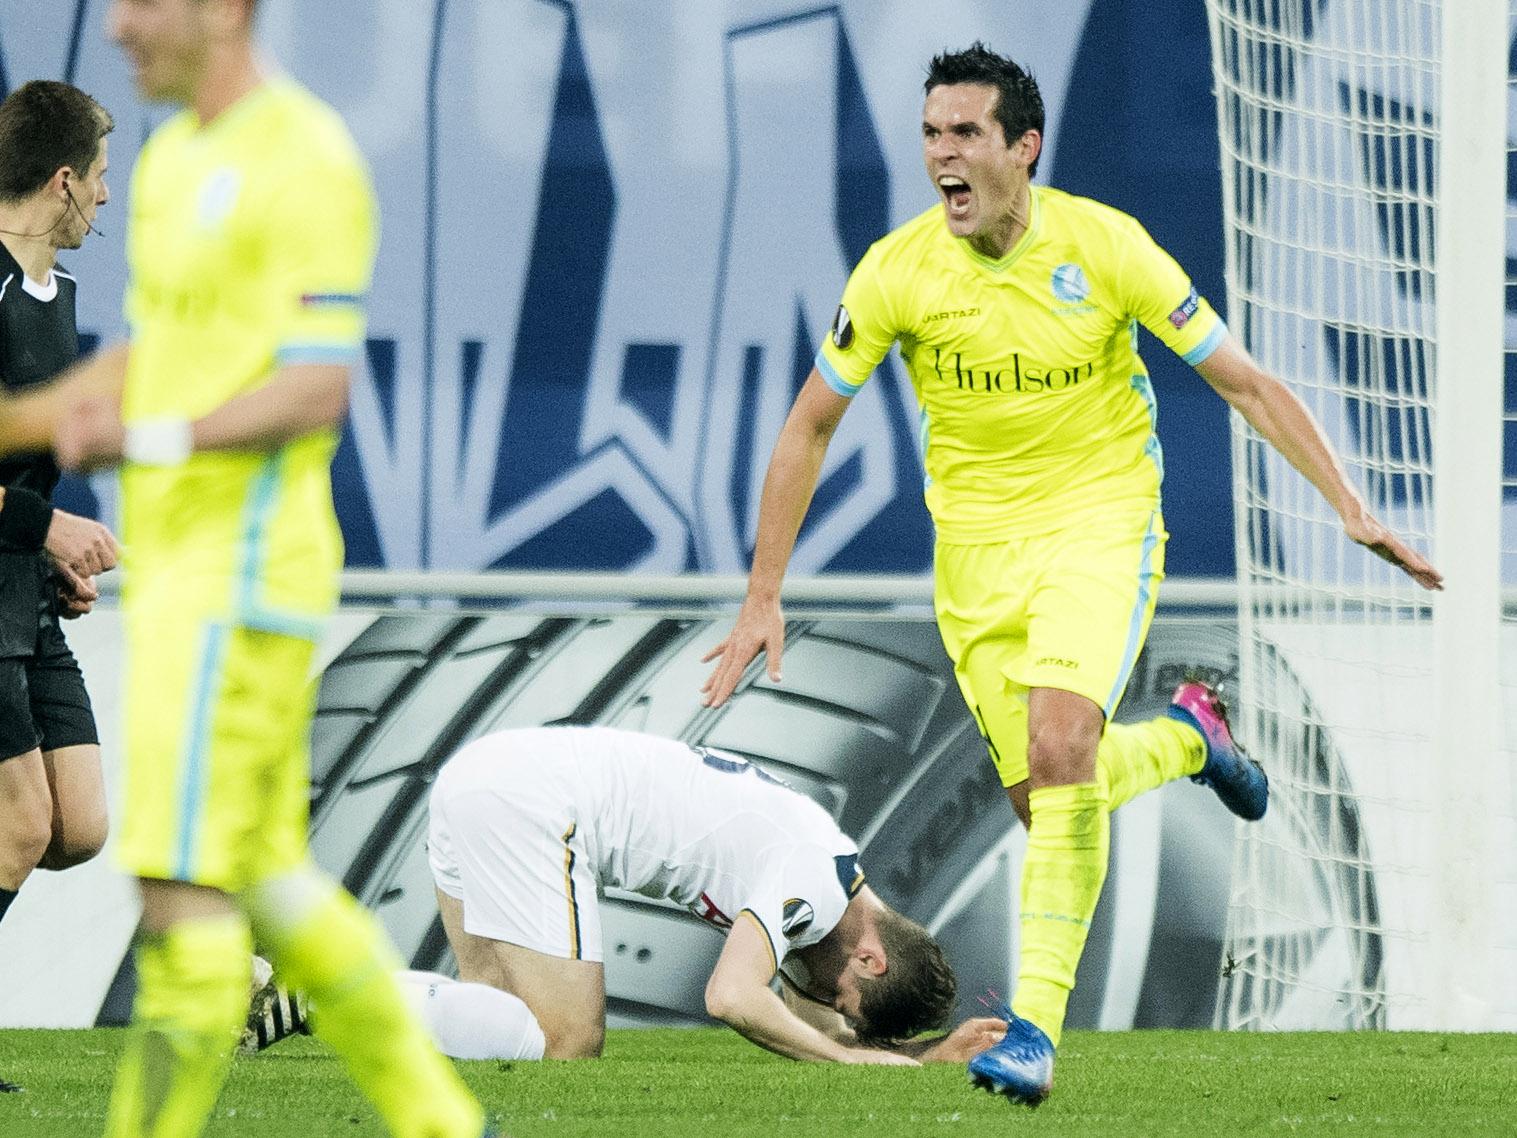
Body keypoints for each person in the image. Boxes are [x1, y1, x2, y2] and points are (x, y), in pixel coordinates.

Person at [701, 42, 1443, 1106]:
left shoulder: (1105, 248)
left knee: (1059, 749)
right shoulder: (896, 271)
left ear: (1023, 146)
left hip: (1099, 527)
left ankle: (1036, 1033)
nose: (940, 157)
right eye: (929, 135)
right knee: (1053, 802)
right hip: (975, 567)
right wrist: (761, 591)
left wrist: (1349, 505)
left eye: (963, 134)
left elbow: (1241, 380)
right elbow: (810, 423)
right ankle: (1193, 736)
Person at [0, 2, 487, 1135]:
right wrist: (35, 415)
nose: (116, 25)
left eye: (144, 3)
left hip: (240, 579)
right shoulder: (175, 161)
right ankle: (445, 1122)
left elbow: (316, 388)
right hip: (179, 576)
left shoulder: (305, 160)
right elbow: (155, 350)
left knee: (182, 906)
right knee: (266, 880)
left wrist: (145, 438)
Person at [415, 725, 1004, 1064]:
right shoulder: (814, 883)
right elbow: (730, 996)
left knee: (493, 1012)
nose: (829, 1000)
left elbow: (812, 1029)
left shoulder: (828, 879)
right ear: (870, 959)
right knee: (571, 1042)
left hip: (487, 772)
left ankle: (332, 994)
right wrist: (852, 1058)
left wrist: (922, 1055)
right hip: (537, 804)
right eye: (845, 997)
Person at [0, 78, 119, 1096]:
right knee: (19, 825)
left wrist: (45, 558)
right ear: (65, 177)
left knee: (77, 825)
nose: (109, 204)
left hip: (22, 596)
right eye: (105, 178)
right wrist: (50, 528)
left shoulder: (58, 298)